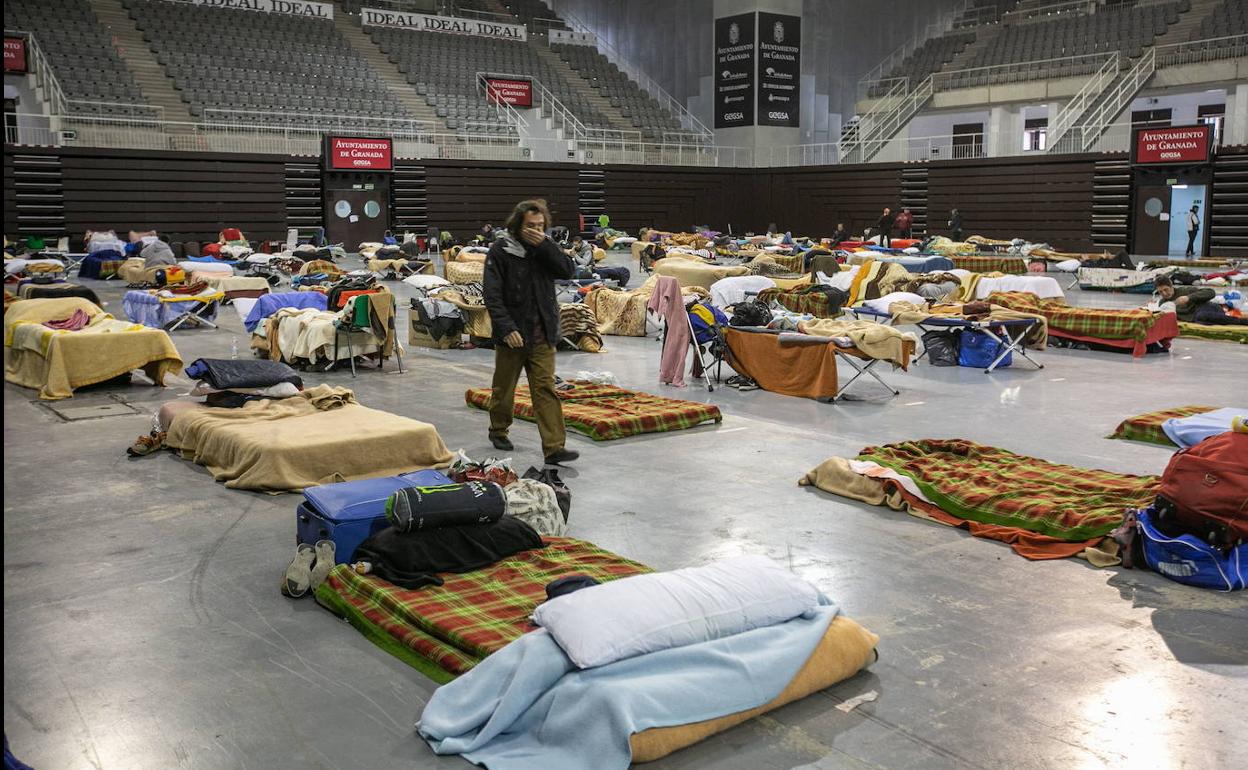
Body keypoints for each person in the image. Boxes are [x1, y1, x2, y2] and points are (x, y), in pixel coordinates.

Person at [483, 200, 580, 464]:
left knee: (545, 390)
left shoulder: (546, 249)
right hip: (513, 337)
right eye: (530, 226)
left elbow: (568, 270)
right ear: (518, 225)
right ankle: (498, 429)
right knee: (504, 389)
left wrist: (545, 246)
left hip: (543, 335)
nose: (536, 230)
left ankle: (554, 447)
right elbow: (492, 295)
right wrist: (506, 328)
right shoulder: (500, 251)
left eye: (540, 226)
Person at [1154, 275, 1247, 326]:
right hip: (1196, 318)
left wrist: (1189, 297)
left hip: (1207, 308)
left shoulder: (1185, 291)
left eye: (1166, 289)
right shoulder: (1163, 303)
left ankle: (1241, 321)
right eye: (1161, 292)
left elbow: (1211, 292)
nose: (1164, 294)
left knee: (1201, 316)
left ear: (1171, 286)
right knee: (1199, 319)